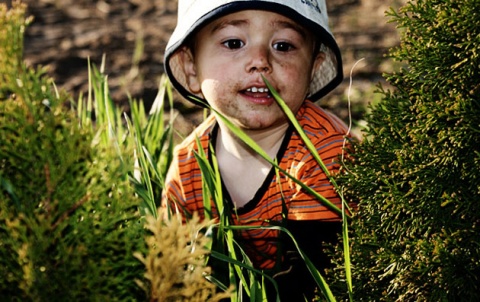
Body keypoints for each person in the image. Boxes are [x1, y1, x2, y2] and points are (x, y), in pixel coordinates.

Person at [161, 0, 352, 300]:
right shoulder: (188, 166)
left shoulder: (324, 154)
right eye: (234, 42)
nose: (260, 60)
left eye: (284, 46)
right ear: (190, 66)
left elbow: (312, 282)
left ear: (313, 66)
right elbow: (169, 269)